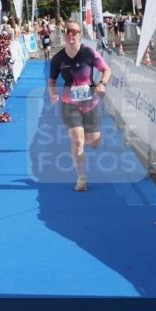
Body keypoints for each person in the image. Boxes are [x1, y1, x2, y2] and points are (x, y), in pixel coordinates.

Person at [47, 21, 111, 192]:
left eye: (74, 31)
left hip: (91, 103)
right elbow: (52, 81)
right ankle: (81, 177)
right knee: (77, 141)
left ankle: (92, 138)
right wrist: (52, 94)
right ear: (64, 34)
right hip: (70, 104)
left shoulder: (88, 52)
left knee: (93, 142)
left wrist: (102, 84)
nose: (71, 34)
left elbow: (107, 70)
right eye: (68, 31)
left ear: (79, 35)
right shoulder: (58, 58)